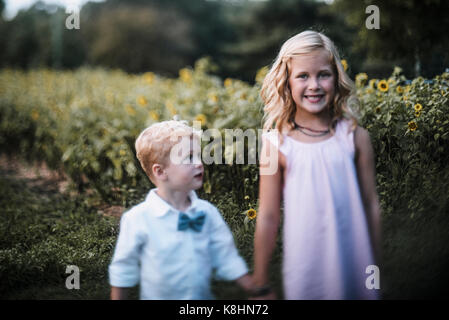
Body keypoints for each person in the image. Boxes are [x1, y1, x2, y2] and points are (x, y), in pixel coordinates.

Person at [252, 30, 381, 300]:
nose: (315, 85)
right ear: (286, 82)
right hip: (305, 268)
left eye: (323, 74)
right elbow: (267, 216)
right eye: (303, 76)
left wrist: (374, 264)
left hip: (354, 261)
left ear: (336, 77)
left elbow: (370, 204)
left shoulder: (355, 137)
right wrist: (261, 282)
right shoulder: (276, 145)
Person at [109, 120, 253, 299]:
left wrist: (253, 287)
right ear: (160, 172)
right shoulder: (138, 218)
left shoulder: (207, 213)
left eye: (199, 155)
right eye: (188, 158)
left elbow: (227, 256)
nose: (199, 163)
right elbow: (123, 269)